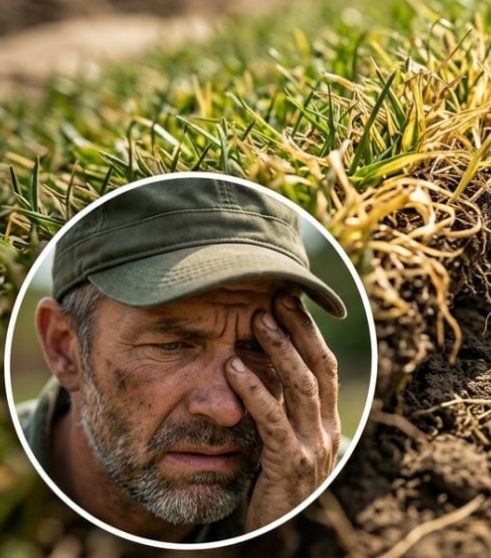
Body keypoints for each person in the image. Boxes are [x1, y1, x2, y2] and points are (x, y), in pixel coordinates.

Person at [17, 176, 348, 542]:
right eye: (171, 346)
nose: (226, 410)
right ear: (65, 349)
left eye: (258, 347)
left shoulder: (352, 491)